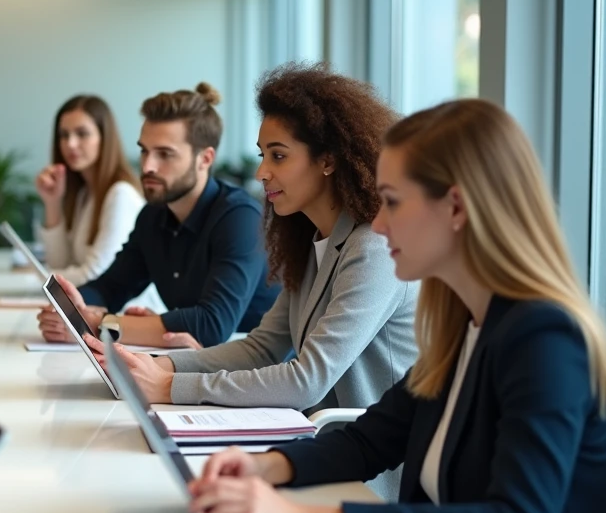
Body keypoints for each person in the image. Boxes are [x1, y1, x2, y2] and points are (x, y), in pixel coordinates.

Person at [189, 99, 606, 513]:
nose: (379, 223)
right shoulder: (466, 324)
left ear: (456, 208)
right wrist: (267, 466)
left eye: (391, 202)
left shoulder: (544, 341)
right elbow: (372, 438)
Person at [88, 65, 418, 417]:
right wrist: (158, 365)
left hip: (366, 463)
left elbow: (307, 380)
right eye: (263, 155)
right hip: (320, 437)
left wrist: (169, 386)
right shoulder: (311, 242)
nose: (261, 172)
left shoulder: (373, 249)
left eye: (278, 156)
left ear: (327, 160)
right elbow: (261, 349)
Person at [38, 83, 278, 349]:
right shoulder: (153, 215)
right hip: (196, 366)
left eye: (164, 154)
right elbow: (111, 287)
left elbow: (211, 325)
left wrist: (98, 324)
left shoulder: (240, 218)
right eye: (144, 150)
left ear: (205, 159)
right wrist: (69, 310)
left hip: (255, 373)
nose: (148, 166)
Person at [34, 94, 155, 293]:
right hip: (94, 311)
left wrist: (40, 278)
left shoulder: (120, 194)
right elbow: (62, 263)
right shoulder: (84, 193)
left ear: (104, 138)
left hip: (127, 316)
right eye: (64, 135)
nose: (70, 144)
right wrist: (52, 202)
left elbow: (97, 275)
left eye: (82, 134)